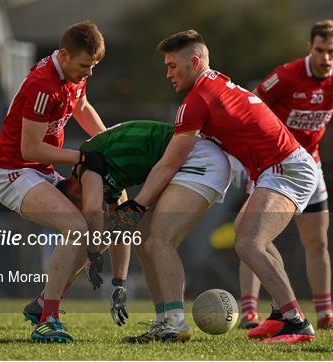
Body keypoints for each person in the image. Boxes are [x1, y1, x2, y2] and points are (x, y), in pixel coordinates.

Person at [113, 30, 320, 344]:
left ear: (194, 62)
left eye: (172, 65)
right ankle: (281, 315)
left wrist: (137, 204)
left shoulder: (198, 99)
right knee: (251, 237)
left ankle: (296, 322)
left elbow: (169, 162)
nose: (167, 73)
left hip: (286, 169)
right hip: (279, 168)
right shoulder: (216, 82)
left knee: (249, 241)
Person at [20, 120, 231, 341]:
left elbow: (92, 210)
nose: (80, 214)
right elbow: (121, 231)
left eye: (76, 210)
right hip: (196, 159)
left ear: (74, 189)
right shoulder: (109, 184)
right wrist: (119, 283)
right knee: (145, 240)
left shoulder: (87, 164)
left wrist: (92, 252)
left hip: (197, 159)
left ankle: (176, 322)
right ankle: (164, 322)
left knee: (157, 241)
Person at [237, 19, 333, 336]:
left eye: (331, 51)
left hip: (310, 167)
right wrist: (247, 155)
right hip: (273, 166)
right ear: (309, 48)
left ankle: (326, 314)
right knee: (252, 236)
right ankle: (250, 312)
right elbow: (251, 105)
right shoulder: (286, 76)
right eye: (319, 50)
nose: (325, 58)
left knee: (317, 241)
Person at [0, 21, 107, 342]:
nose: (89, 73)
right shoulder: (44, 84)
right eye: (84, 66)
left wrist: (108, 141)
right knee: (76, 228)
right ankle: (48, 317)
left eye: (94, 66)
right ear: (65, 55)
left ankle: (43, 303)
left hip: (40, 171)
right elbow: (30, 148)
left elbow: (82, 107)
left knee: (93, 237)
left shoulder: (73, 74)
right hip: (14, 174)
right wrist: (82, 158)